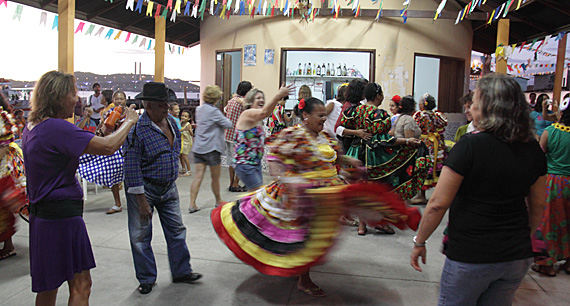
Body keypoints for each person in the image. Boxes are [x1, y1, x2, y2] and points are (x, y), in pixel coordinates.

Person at [212, 97, 420, 297]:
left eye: (324, 115)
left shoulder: (326, 136)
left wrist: (350, 162)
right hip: (300, 194)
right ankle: (304, 279)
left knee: (319, 235)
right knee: (304, 236)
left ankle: (299, 270)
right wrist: (287, 180)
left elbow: (336, 157)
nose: (323, 119)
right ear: (305, 116)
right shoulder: (293, 134)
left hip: (327, 190)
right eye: (319, 115)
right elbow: (274, 158)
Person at [410, 74, 547, 306]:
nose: (470, 106)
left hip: (471, 255)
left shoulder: (470, 145)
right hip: (516, 256)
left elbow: (437, 204)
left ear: (489, 106)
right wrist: (521, 237)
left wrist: (419, 241)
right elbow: (538, 204)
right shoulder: (532, 147)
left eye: (475, 101)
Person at [22, 70, 138, 305]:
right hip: (63, 218)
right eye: (72, 93)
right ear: (57, 97)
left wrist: (104, 131)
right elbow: (107, 147)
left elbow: (78, 146)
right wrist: (130, 122)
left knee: (48, 287)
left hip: (42, 217)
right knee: (81, 285)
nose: (77, 99)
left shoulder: (32, 126)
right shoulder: (57, 128)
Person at [123, 82, 202, 295]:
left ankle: (181, 271)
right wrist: (141, 201)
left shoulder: (172, 123)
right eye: (161, 105)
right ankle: (147, 279)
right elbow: (131, 168)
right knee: (140, 236)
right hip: (145, 190)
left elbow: (175, 150)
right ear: (148, 106)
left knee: (176, 230)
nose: (166, 108)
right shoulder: (137, 130)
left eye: (167, 104)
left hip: (168, 188)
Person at [341, 82, 427, 235]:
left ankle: (362, 226)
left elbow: (342, 128)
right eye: (381, 95)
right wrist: (407, 142)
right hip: (373, 155)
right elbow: (384, 139)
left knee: (361, 188)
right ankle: (380, 222)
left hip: (354, 152)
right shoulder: (379, 115)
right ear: (378, 96)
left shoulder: (354, 111)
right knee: (377, 188)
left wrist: (357, 133)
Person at [531, 97, 570, 277]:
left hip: (553, 184)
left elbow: (539, 156)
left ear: (562, 113)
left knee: (548, 222)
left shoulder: (550, 131)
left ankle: (546, 264)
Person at [233, 84, 293, 191]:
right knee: (257, 194)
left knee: (255, 196)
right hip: (245, 164)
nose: (262, 100)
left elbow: (256, 141)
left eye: (262, 98)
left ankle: (242, 207)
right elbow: (264, 112)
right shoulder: (247, 114)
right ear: (250, 101)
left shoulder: (256, 120)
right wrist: (278, 95)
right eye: (258, 98)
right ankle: (237, 208)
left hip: (255, 164)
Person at [78, 90, 128, 215]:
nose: (118, 101)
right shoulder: (109, 112)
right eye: (116, 98)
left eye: (121, 98)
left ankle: (135, 202)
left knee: (131, 175)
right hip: (114, 146)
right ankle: (117, 203)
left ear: (125, 100)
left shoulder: (129, 114)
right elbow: (103, 130)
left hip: (127, 147)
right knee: (112, 173)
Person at [190, 85, 232, 212]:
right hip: (212, 148)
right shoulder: (214, 111)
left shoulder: (199, 109)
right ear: (216, 98)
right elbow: (228, 124)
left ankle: (192, 204)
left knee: (198, 176)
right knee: (215, 178)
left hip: (198, 147)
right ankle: (218, 200)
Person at [0, 103, 26, 262]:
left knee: (4, 207)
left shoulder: (1, 118)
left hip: (3, 167)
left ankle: (8, 246)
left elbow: (2, 148)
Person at [411, 93, 448, 204]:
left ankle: (421, 196)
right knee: (435, 167)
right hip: (437, 144)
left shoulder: (420, 116)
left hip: (425, 143)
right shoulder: (437, 115)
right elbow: (441, 131)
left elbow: (416, 129)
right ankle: (437, 196)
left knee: (423, 166)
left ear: (423, 104)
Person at [224, 81, 251, 192]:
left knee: (231, 161)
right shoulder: (244, 103)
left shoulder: (232, 100)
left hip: (228, 135)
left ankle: (231, 183)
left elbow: (225, 110)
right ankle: (235, 184)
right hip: (239, 136)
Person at [179, 109, 194, 177]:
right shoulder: (180, 123)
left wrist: (189, 130)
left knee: (185, 156)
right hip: (182, 141)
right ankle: (183, 168)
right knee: (181, 156)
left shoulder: (188, 124)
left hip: (187, 142)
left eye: (185, 116)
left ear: (189, 118)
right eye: (182, 115)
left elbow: (192, 134)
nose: (183, 117)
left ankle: (189, 171)